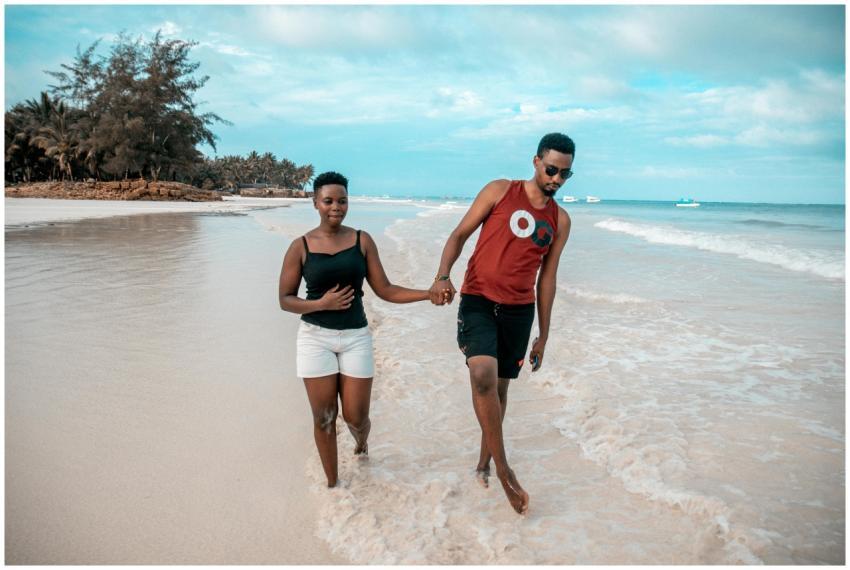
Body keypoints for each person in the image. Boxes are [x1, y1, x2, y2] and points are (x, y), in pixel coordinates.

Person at [428, 133, 575, 514]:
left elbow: (548, 279)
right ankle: (506, 470)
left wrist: (544, 334)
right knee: (482, 376)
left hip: (519, 311)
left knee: (502, 389)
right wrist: (443, 274)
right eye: (552, 169)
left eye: (566, 174)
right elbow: (459, 235)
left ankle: (483, 463)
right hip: (478, 300)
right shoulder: (499, 190)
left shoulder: (560, 220)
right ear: (536, 161)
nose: (557, 178)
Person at [279, 171, 430, 488]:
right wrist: (321, 304)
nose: (336, 206)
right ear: (315, 203)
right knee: (324, 417)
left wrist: (428, 294)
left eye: (342, 200)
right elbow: (285, 299)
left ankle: (361, 443)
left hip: (356, 338)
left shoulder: (362, 240)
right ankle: (333, 484)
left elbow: (386, 289)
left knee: (355, 417)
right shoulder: (301, 246)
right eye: (329, 200)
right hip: (314, 338)